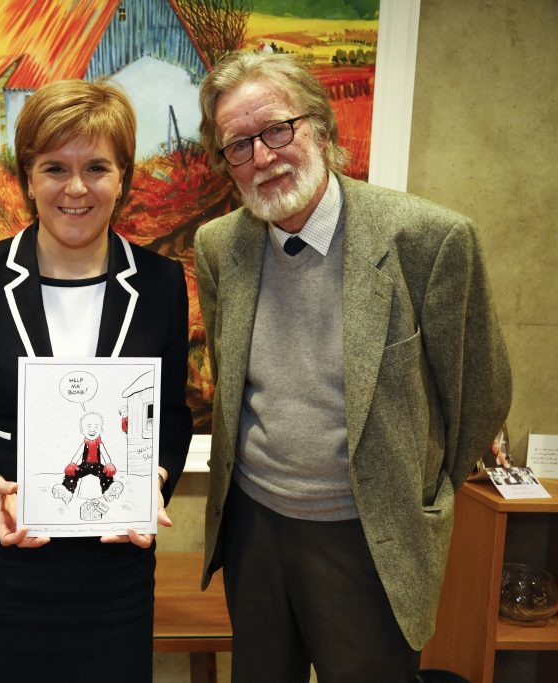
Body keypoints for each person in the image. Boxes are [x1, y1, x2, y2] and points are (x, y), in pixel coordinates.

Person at [193, 51, 512, 682]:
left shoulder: (430, 240)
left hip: (370, 540)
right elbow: (232, 384)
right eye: (239, 144)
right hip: (254, 532)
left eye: (278, 129)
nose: (263, 156)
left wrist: (411, 487)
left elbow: (480, 395)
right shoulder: (219, 246)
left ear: (319, 125)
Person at [0, 79, 193, 682]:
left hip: (113, 574)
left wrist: (155, 478)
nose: (76, 188)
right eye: (55, 167)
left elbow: (170, 417)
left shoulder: (160, 285)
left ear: (123, 176)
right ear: (27, 177)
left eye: (96, 167)